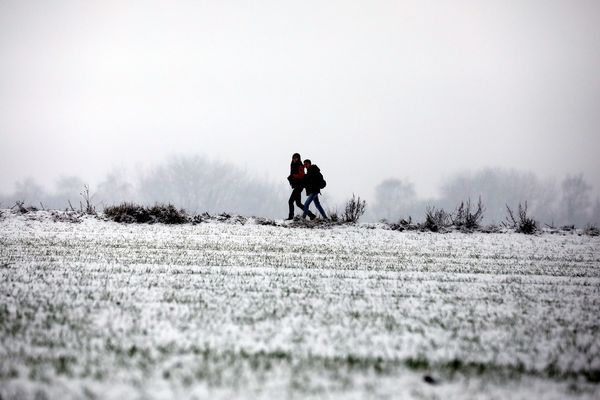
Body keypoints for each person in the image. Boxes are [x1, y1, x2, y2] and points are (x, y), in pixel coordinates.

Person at [286, 153, 315, 220]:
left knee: (290, 201)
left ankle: (291, 217)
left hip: (299, 186)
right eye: (293, 158)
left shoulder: (300, 165)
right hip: (297, 186)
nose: (294, 159)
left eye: (296, 158)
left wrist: (294, 176)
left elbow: (302, 175)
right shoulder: (293, 165)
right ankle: (311, 215)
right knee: (298, 203)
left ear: (298, 158)